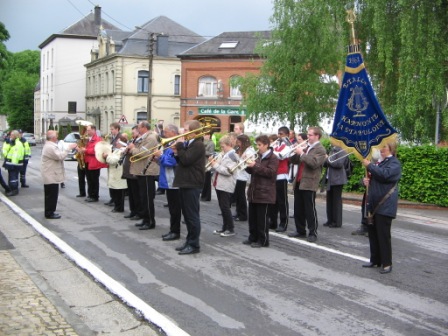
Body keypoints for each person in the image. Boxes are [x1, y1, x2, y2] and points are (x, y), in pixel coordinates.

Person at [361, 142, 401, 274]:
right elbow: (375, 177)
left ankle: (387, 263)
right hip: (373, 203)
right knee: (372, 233)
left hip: (385, 204)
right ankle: (375, 259)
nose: (381, 149)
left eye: (384, 147)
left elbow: (385, 175)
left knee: (383, 235)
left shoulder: (394, 163)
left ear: (391, 149)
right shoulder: (378, 163)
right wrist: (365, 181)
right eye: (381, 147)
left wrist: (370, 166)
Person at [172, 120, 206, 255]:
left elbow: (186, 160)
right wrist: (176, 152)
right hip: (185, 182)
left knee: (192, 215)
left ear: (193, 131)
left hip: (192, 182)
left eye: (186, 130)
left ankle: (194, 244)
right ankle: (189, 240)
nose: (183, 132)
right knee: (186, 215)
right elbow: (182, 161)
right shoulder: (189, 144)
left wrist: (179, 147)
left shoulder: (198, 145)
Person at [288, 127, 326, 243]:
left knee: (309, 209)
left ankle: (312, 232)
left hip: (310, 182)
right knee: (298, 207)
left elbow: (314, 163)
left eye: (310, 135)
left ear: (317, 136)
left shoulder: (320, 150)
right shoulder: (307, 147)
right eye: (308, 135)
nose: (308, 137)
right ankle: (300, 230)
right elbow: (294, 161)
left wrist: (302, 153)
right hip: (299, 181)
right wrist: (295, 152)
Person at [243, 135, 278, 248]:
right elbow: (251, 171)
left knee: (262, 219)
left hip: (265, 192)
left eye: (260, 145)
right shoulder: (258, 156)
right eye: (257, 145)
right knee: (252, 217)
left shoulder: (273, 158)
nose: (258, 147)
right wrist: (246, 164)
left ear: (266, 145)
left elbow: (271, 173)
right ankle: (252, 237)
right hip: (254, 190)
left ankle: (263, 240)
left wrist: (255, 165)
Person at [128, 121, 160, 230]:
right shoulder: (143, 137)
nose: (137, 129)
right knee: (143, 197)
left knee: (147, 197)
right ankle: (145, 219)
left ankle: (150, 221)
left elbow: (143, 153)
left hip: (147, 170)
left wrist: (132, 148)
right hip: (142, 170)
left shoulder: (150, 138)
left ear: (144, 128)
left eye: (139, 127)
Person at [154, 124, 182, 241]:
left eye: (166, 131)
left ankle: (175, 231)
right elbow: (165, 162)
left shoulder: (176, 145)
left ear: (172, 132)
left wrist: (160, 156)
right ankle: (172, 230)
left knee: (175, 209)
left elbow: (172, 162)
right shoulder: (169, 144)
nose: (164, 134)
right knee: (171, 208)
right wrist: (157, 159)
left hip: (173, 181)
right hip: (168, 180)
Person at [41, 130, 76, 219]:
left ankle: (51, 211)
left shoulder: (50, 145)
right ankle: (49, 212)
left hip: (52, 174)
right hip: (51, 175)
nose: (57, 137)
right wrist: (68, 148)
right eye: (56, 135)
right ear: (52, 137)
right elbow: (60, 156)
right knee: (51, 195)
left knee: (52, 194)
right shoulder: (50, 147)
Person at [210, 135, 238, 237]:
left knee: (225, 207)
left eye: (223, 146)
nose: (222, 149)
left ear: (229, 145)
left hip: (226, 184)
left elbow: (228, 171)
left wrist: (215, 165)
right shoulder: (225, 154)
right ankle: (224, 227)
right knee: (222, 207)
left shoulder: (232, 156)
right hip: (219, 183)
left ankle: (230, 229)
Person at [77, 125, 108, 202]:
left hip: (94, 163)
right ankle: (90, 194)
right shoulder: (88, 139)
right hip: (88, 161)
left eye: (89, 130)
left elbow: (96, 150)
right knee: (89, 179)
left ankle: (95, 196)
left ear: (94, 130)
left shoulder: (97, 139)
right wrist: (80, 149)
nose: (87, 132)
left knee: (94, 180)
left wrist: (85, 150)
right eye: (87, 130)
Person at [269, 126, 291, 232]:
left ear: (287, 135)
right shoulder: (276, 144)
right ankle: (273, 221)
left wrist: (270, 151)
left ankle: (283, 223)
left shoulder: (288, 145)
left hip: (282, 175)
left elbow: (281, 156)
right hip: (274, 174)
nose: (279, 136)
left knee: (282, 201)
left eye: (281, 134)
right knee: (273, 199)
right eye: (278, 133)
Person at [322, 146, 348, 228]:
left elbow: (339, 164)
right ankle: (330, 220)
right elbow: (325, 164)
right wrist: (326, 159)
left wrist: (328, 159)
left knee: (336, 201)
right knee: (329, 200)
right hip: (330, 178)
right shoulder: (332, 150)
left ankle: (336, 222)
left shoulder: (342, 151)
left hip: (338, 179)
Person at [233, 134, 256, 221]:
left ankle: (243, 215)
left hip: (243, 175)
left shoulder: (249, 151)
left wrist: (240, 158)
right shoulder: (243, 150)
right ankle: (238, 212)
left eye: (239, 142)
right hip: (239, 175)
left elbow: (248, 163)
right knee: (238, 195)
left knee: (241, 195)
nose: (238, 144)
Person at [122, 126, 141, 220]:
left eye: (133, 133)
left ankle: (138, 212)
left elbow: (139, 153)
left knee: (136, 193)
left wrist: (131, 148)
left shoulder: (139, 141)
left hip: (135, 170)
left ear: (138, 132)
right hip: (128, 170)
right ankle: (132, 211)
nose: (132, 135)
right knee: (131, 193)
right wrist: (126, 149)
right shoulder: (133, 141)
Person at [104, 122, 122, 206]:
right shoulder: (113, 137)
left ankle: (115, 199)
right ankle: (112, 198)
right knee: (111, 180)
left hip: (116, 162)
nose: (111, 131)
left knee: (115, 182)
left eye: (112, 129)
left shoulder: (120, 137)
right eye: (110, 129)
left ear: (117, 129)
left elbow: (118, 149)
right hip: (110, 159)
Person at [3, 130, 25, 196]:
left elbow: (15, 155)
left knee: (13, 178)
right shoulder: (13, 142)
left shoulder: (17, 143)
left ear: (15, 136)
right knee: (12, 177)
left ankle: (14, 190)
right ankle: (12, 189)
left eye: (12, 135)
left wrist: (12, 164)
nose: (10, 136)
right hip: (13, 163)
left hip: (14, 164)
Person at [201, 131, 215, 201]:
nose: (205, 136)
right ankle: (203, 195)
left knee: (207, 181)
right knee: (203, 181)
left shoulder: (211, 143)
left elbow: (211, 153)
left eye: (206, 135)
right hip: (201, 163)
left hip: (207, 164)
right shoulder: (202, 142)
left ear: (209, 135)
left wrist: (202, 150)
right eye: (204, 135)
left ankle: (207, 197)